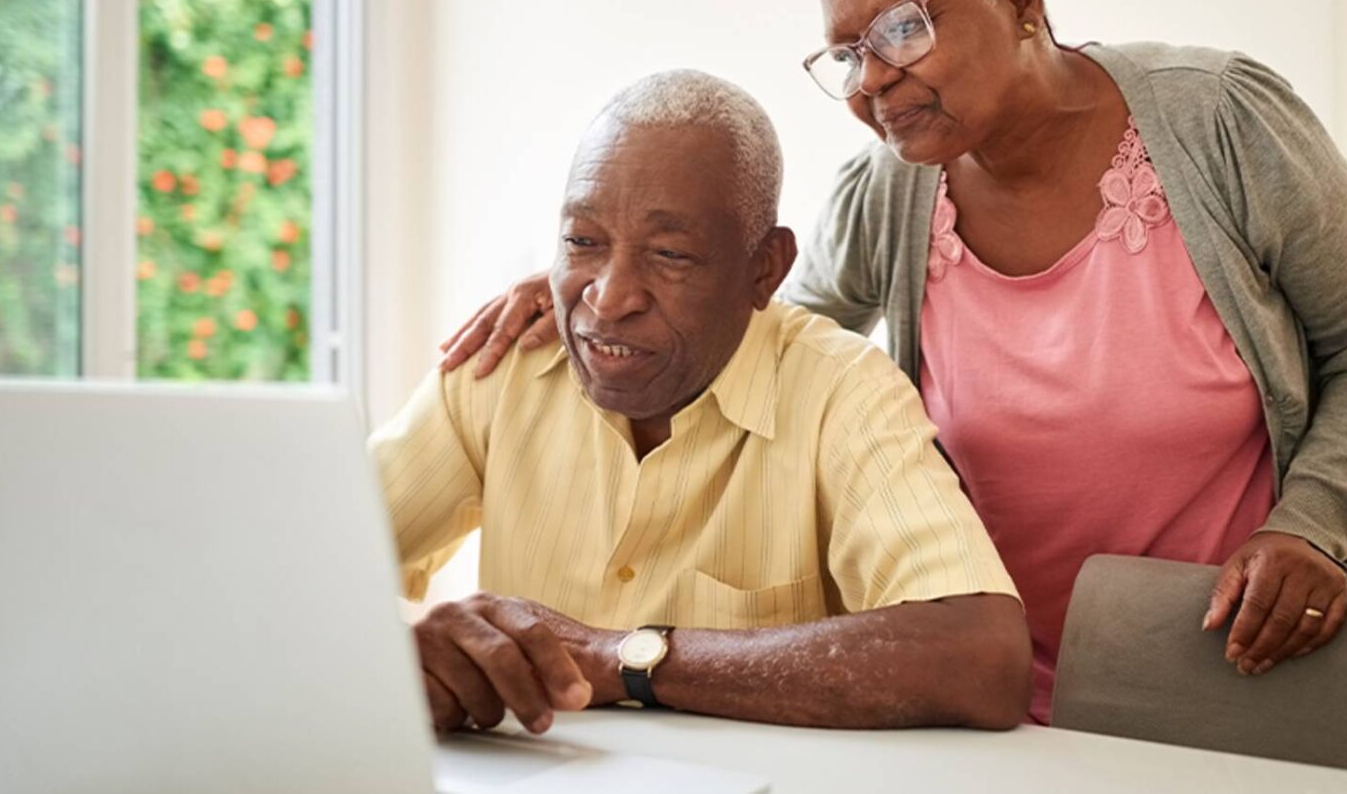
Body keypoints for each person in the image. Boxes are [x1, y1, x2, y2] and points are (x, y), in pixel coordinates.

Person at [440, 0, 1347, 724]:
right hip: (978, 686)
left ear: (1022, 0)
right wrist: (609, 275)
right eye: (844, 52)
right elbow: (770, 338)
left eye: (902, 29)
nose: (869, 80)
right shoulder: (893, 189)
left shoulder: (1218, 121)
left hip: (1230, 661)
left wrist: (1310, 528)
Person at [372, 70, 1030, 734]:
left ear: (764, 268)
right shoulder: (500, 367)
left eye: (669, 253)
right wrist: (417, 646)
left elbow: (982, 658)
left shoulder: (841, 391)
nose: (609, 296)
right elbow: (295, 572)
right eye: (582, 242)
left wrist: (622, 657)